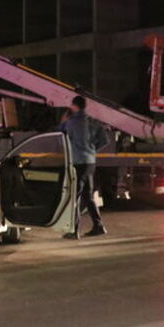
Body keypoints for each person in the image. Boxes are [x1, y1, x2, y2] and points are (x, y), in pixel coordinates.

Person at [61, 96, 109, 239]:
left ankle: (74, 230)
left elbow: (61, 134)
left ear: (74, 106)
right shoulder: (92, 121)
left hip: (78, 163)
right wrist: (92, 149)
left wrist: (63, 122)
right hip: (90, 162)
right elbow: (105, 139)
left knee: (74, 196)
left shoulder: (71, 123)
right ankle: (99, 226)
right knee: (88, 196)